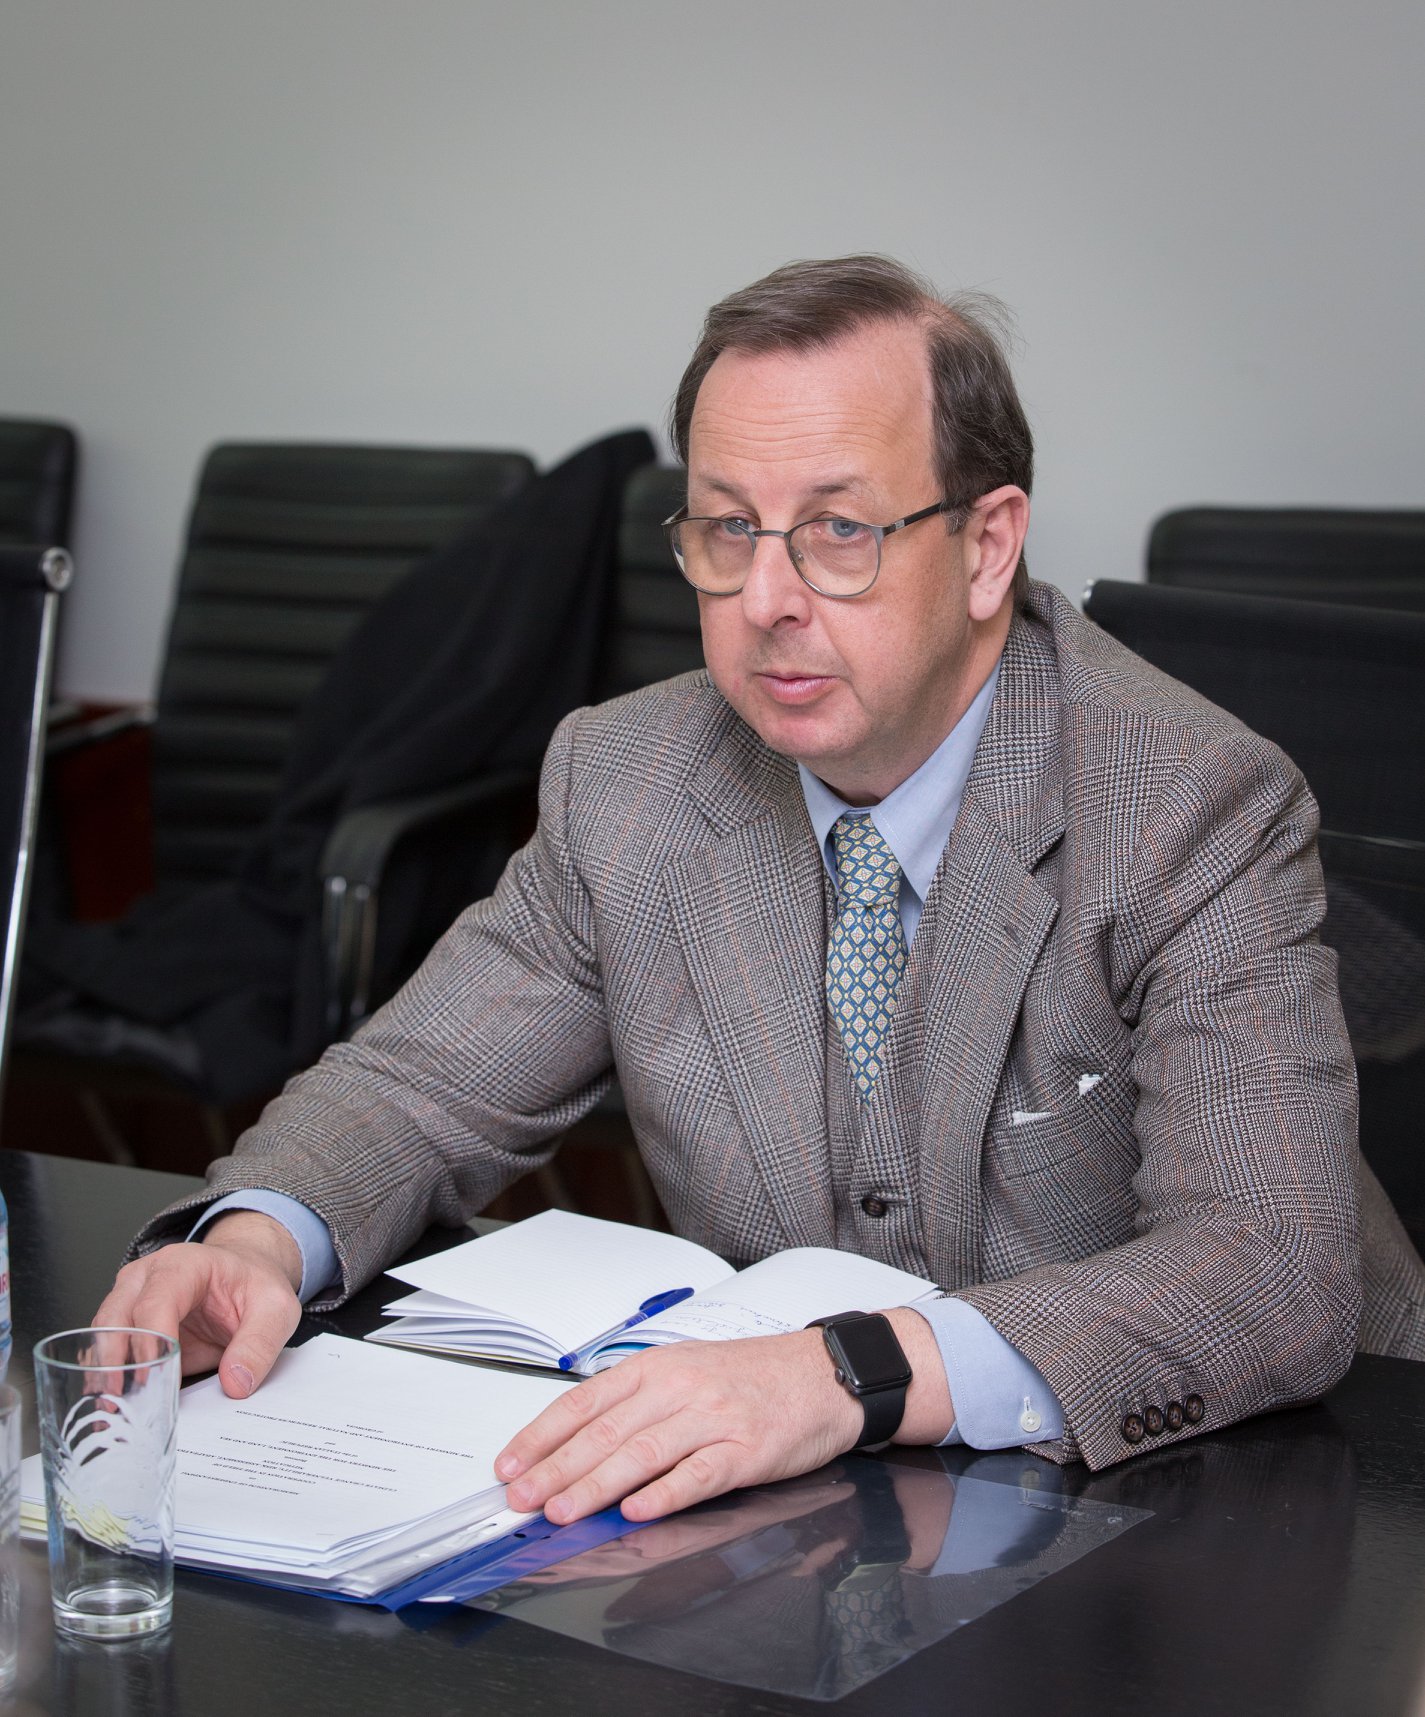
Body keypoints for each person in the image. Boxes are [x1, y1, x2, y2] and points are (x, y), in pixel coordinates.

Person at [96, 256, 1425, 1532]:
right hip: (845, 1522)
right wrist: (257, 1238)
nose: (766, 598)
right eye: (728, 528)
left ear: (987, 546)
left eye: (840, 531)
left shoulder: (1188, 800)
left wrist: (847, 1374)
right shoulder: (626, 779)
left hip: (1265, 1493)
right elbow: (419, 1085)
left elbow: (1266, 1262)